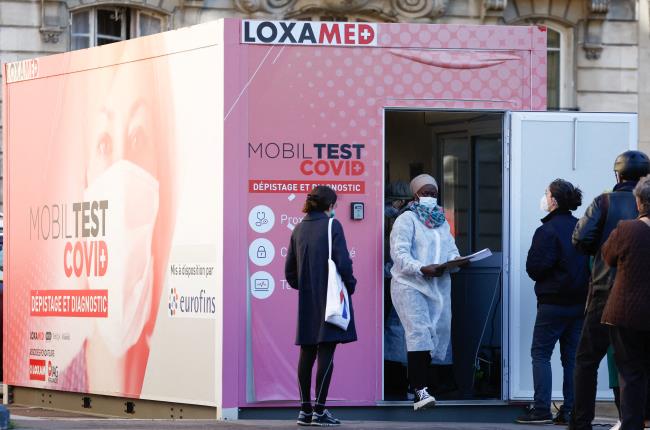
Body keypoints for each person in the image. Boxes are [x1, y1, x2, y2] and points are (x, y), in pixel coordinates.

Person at [570, 150, 650, 430]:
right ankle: (633, 420)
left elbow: (580, 239)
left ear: (617, 174)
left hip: (605, 291)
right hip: (642, 297)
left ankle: (581, 422)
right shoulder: (643, 209)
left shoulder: (603, 202)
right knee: (632, 366)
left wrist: (602, 252)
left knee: (586, 361)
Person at [389, 173, 466, 411]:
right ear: (415, 195)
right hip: (410, 284)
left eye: (433, 193)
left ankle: (425, 383)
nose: (430, 197)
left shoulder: (442, 221)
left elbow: (451, 249)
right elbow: (399, 254)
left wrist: (457, 261)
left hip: (438, 287)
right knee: (419, 333)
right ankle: (419, 390)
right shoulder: (407, 219)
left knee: (439, 333)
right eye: (425, 193)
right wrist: (421, 268)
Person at [516, 180, 589, 425]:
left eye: (546, 193)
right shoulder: (581, 226)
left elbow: (535, 268)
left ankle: (541, 410)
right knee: (571, 358)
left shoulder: (547, 230)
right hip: (579, 304)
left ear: (554, 200)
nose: (544, 197)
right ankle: (569, 411)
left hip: (552, 303)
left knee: (540, 354)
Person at [285, 186, 357, 427]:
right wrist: (350, 285)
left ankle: (305, 411)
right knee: (326, 351)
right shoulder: (331, 226)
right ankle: (320, 411)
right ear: (329, 205)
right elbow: (344, 263)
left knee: (307, 352)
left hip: (307, 298)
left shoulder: (298, 228)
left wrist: (306, 286)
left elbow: (290, 272)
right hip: (329, 297)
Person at [600, 174, 650, 430]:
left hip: (626, 312)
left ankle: (632, 425)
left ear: (639, 203)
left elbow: (607, 256)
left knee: (630, 375)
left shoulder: (627, 229)